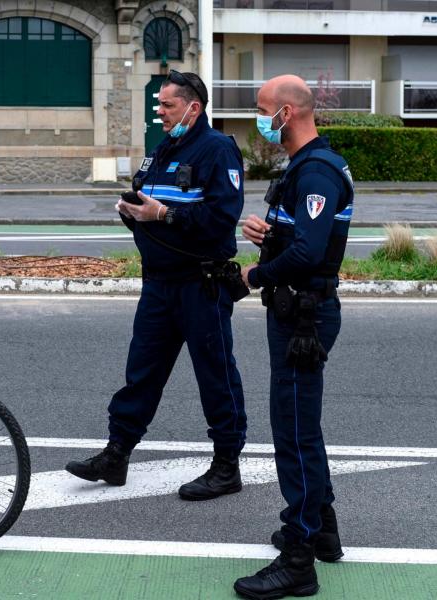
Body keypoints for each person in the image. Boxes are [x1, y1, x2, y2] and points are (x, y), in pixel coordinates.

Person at [65, 71, 250, 501]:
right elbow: (142, 198)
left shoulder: (217, 150)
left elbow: (220, 219)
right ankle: (117, 455)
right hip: (160, 286)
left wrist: (163, 217)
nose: (160, 113)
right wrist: (132, 213)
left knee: (216, 376)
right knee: (141, 373)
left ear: (193, 107)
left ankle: (227, 466)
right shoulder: (162, 150)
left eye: (167, 105)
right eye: (160, 106)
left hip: (200, 285)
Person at [233, 75, 354, 599]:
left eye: (263, 111)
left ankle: (298, 559)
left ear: (287, 112)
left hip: (303, 318)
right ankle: (321, 529)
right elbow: (303, 239)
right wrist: (270, 233)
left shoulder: (319, 172)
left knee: (294, 433)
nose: (259, 121)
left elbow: (309, 255)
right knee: (303, 426)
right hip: (296, 312)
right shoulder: (303, 168)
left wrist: (252, 276)